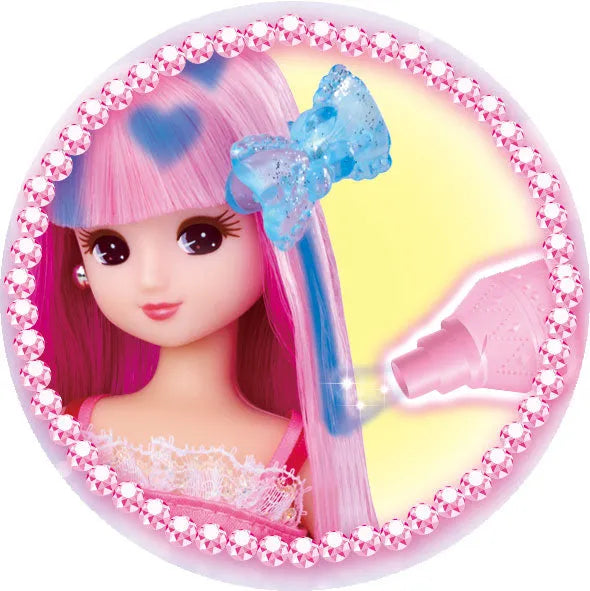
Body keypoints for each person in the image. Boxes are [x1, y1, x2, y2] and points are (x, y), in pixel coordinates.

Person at [33, 50, 390, 541]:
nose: (151, 279)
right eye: (110, 248)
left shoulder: (295, 467)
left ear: (274, 234)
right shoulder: (67, 430)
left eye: (201, 237)